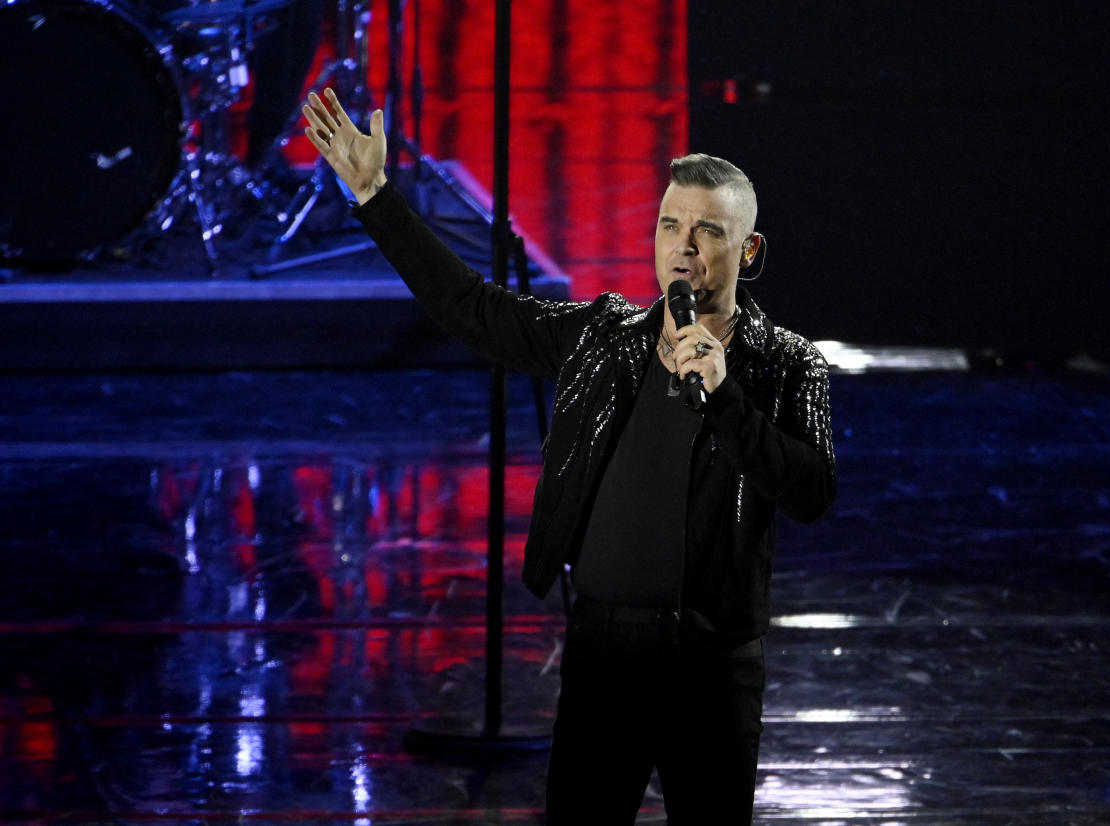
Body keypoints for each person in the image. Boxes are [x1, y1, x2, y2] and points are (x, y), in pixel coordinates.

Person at [303, 87, 836, 824]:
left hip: (711, 664)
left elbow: (812, 491)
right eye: (668, 224)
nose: (682, 246)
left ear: (748, 251)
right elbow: (473, 309)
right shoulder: (602, 337)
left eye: (707, 231)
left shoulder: (788, 365)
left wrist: (725, 394)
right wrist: (375, 196)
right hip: (603, 656)